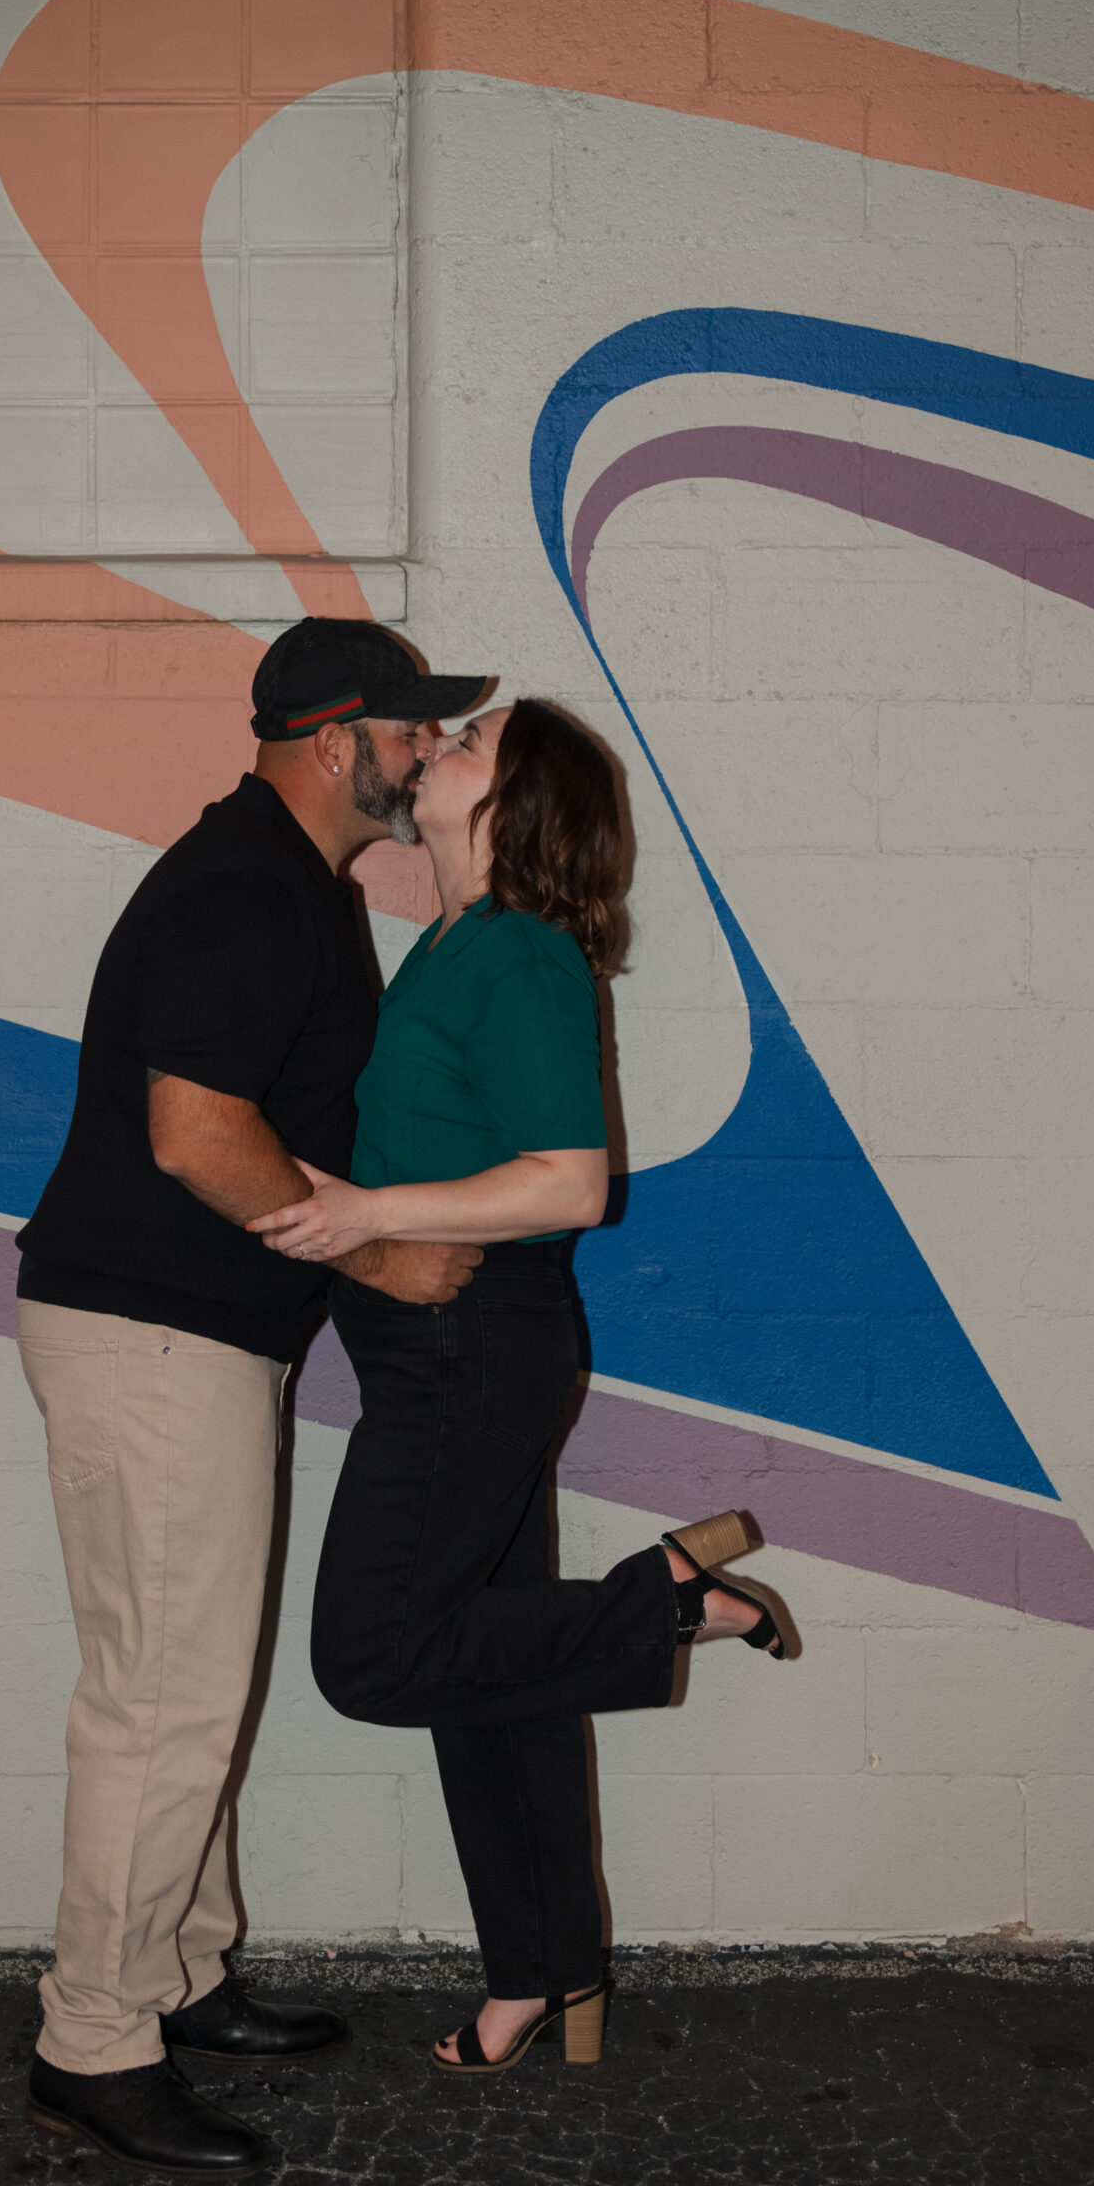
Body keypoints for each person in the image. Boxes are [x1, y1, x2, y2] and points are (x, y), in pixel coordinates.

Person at [13, 616, 488, 2178]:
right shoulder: (242, 890)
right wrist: (378, 1257)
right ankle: (94, 2041)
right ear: (334, 740)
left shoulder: (285, 882)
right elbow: (193, 1134)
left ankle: (182, 1973)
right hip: (157, 1337)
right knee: (163, 1703)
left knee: (183, 1680)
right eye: (411, 731)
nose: (426, 754)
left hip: (188, 1338)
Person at [251, 697, 786, 2079]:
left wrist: (368, 1213)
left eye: (471, 740)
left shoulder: (527, 960)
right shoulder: (448, 939)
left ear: (514, 805)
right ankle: (542, 1977)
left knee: (372, 1657)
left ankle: (662, 1599)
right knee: (497, 1682)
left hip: (472, 1353)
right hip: (454, 1351)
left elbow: (569, 1182)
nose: (437, 743)